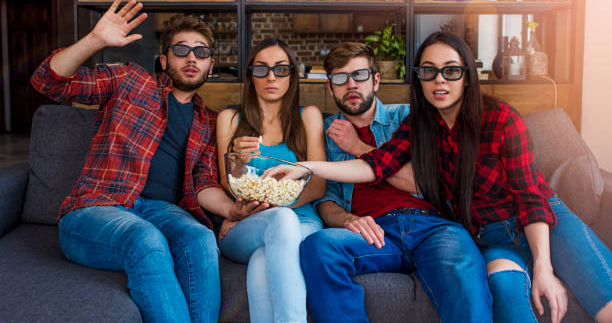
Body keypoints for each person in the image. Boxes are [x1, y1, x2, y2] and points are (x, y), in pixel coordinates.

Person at [270, 32, 612, 323]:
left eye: (450, 71)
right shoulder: (420, 123)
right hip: (477, 235)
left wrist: (543, 266)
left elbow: (526, 195)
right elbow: (376, 166)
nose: (439, 81)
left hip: (515, 224)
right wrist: (309, 167)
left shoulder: (492, 117)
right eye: (429, 72)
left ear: (466, 74)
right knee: (319, 247)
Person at [30, 0, 266, 323]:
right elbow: (48, 81)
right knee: (145, 240)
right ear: (164, 60)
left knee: (200, 238)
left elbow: (203, 183)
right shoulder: (131, 81)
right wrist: (94, 40)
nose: (192, 58)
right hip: (99, 207)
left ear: (212, 65)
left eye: (201, 52)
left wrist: (232, 210)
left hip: (162, 212)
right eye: (181, 50)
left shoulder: (209, 122)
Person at [290, 42, 493, 323]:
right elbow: (326, 199)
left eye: (359, 75)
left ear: (375, 79)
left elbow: (424, 182)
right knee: (318, 246)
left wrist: (357, 146)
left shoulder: (410, 117)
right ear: (330, 87)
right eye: (340, 78)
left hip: (432, 226)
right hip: (374, 233)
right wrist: (350, 219)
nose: (351, 84)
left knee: (462, 269)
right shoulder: (323, 133)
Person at [215, 38, 326, 323]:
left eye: (281, 69)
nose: (271, 77)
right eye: (261, 69)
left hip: (304, 223)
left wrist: (277, 204)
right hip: (249, 223)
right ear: (251, 75)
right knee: (279, 220)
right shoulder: (230, 119)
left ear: (292, 75)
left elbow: (318, 184)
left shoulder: (308, 117)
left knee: (264, 259)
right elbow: (230, 187)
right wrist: (237, 161)